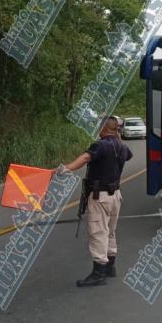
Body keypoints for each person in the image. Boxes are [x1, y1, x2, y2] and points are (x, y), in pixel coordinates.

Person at [58, 116, 133, 287]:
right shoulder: (121, 147)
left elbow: (85, 158)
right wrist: (117, 137)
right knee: (110, 231)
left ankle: (99, 273)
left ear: (103, 129)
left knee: (98, 232)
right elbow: (128, 155)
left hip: (100, 197)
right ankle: (110, 267)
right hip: (116, 196)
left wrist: (67, 168)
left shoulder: (100, 145)